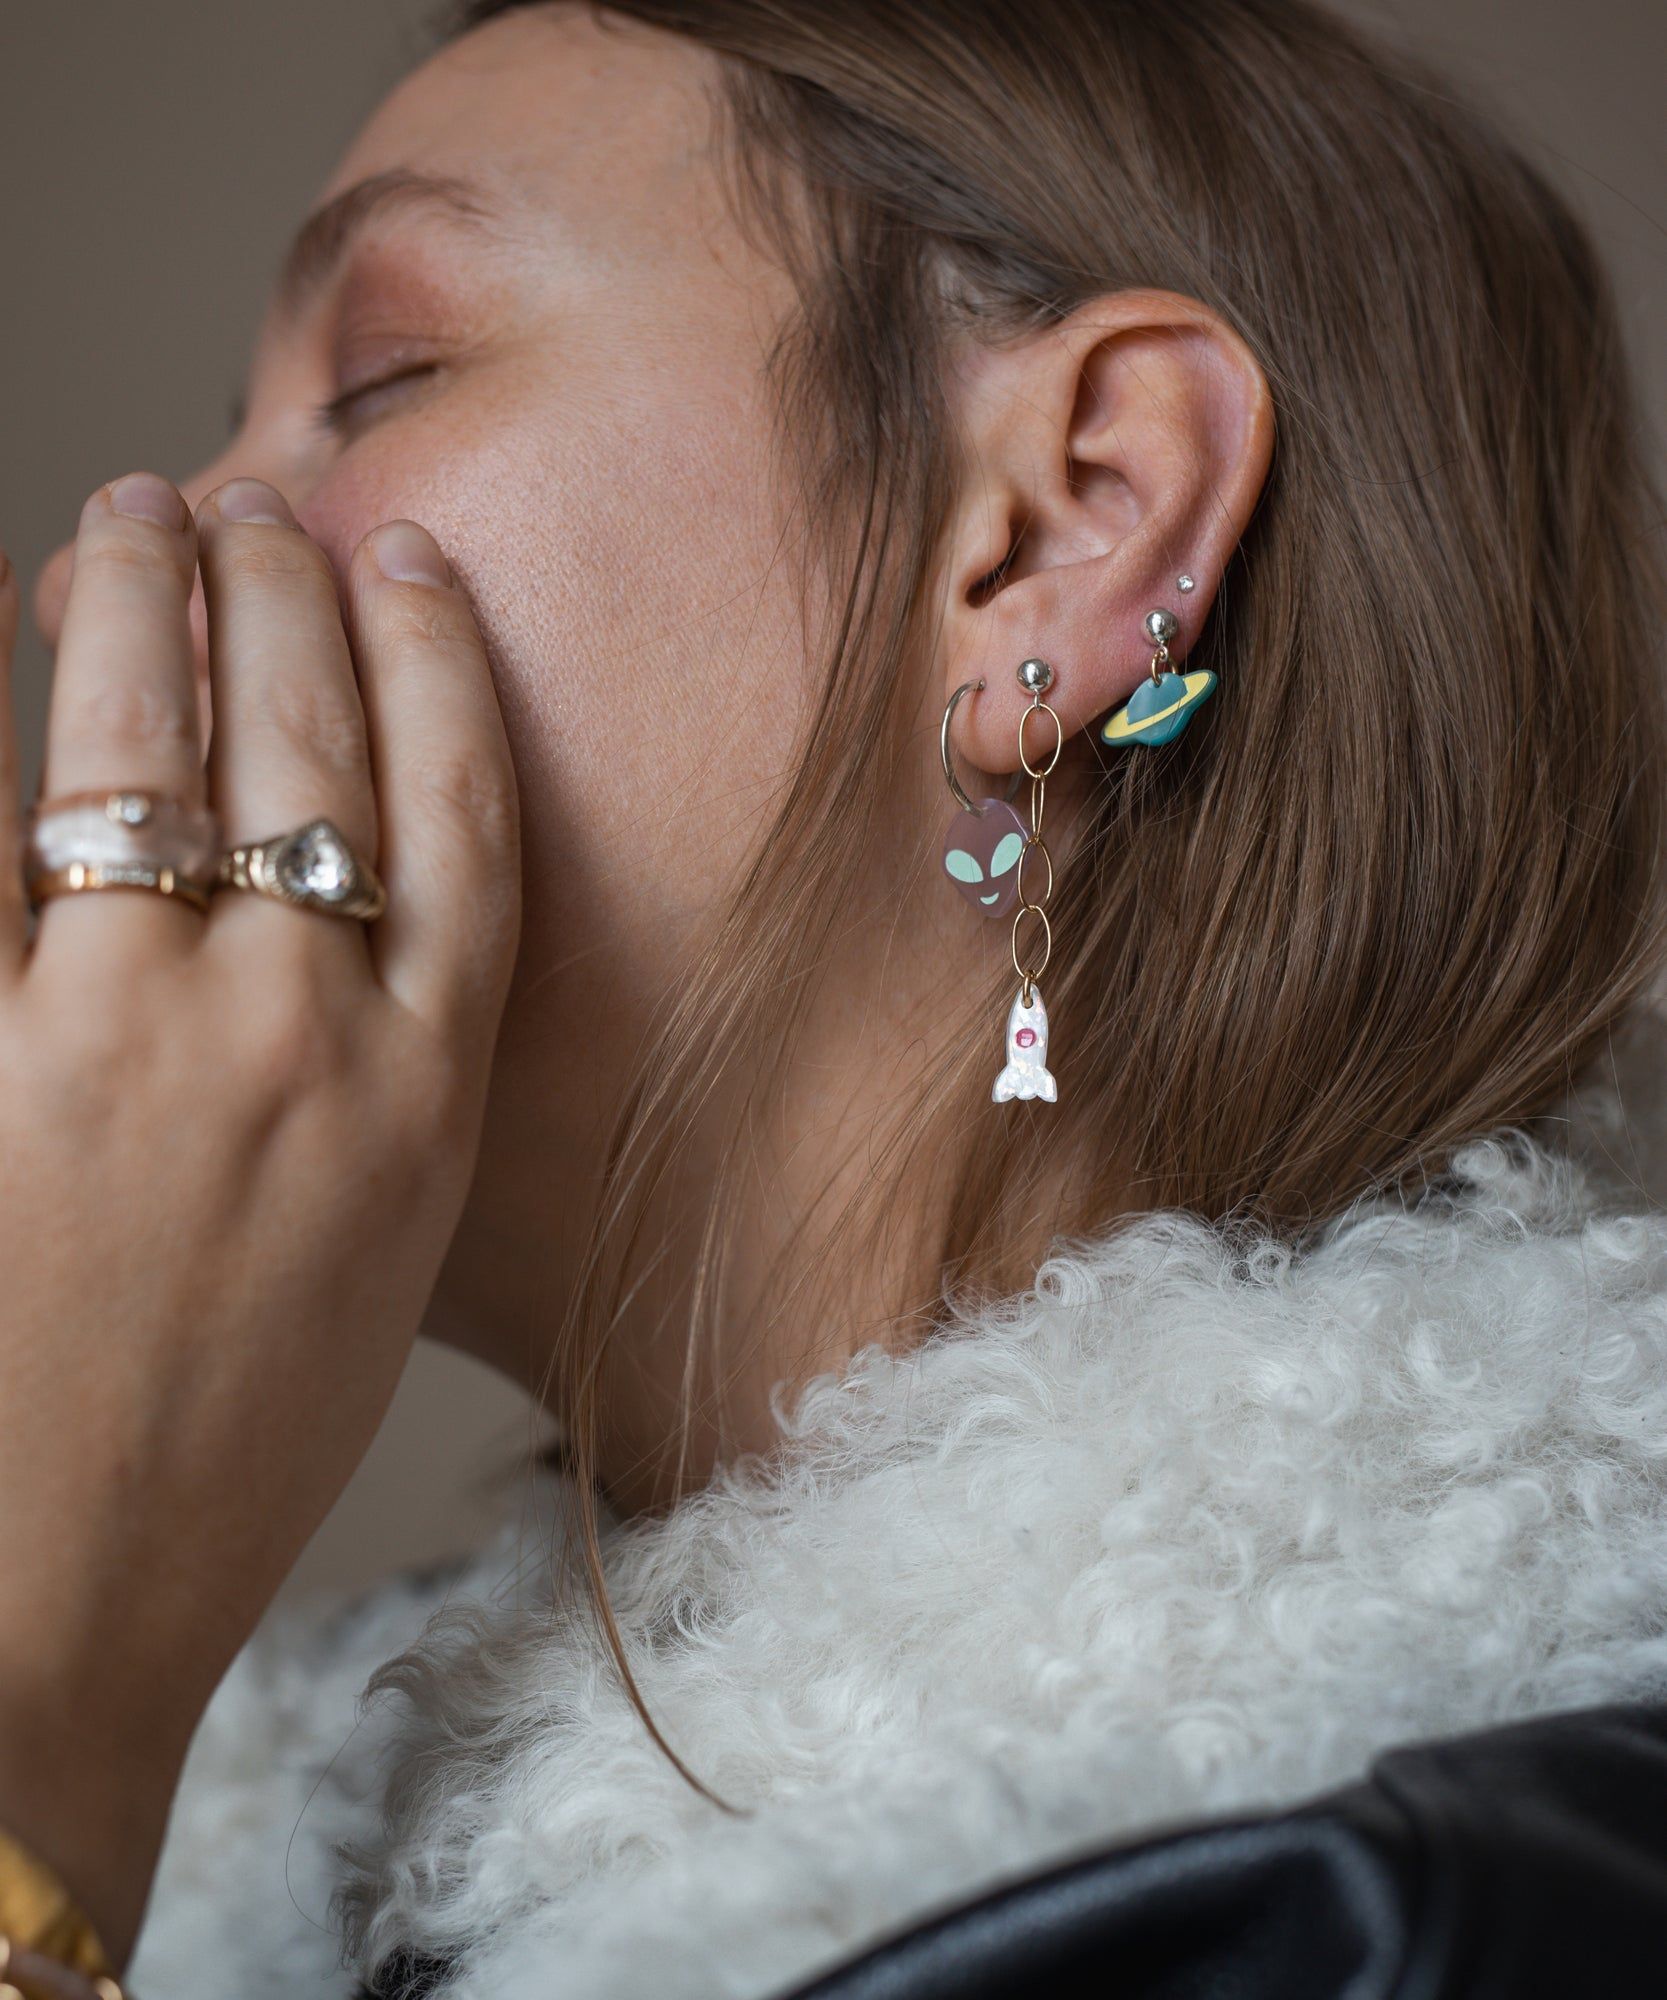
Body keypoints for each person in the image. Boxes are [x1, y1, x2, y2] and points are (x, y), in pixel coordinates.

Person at [5, 1, 1667, 1995]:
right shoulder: (303, 1865)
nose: (134, 558)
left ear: (1064, 526)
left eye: (380, 377)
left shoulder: (1384, 1926)